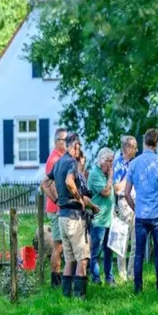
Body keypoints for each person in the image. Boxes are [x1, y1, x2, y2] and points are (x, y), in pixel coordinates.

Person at [124, 128, 158, 294]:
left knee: (138, 253)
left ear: (144, 141)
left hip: (141, 215)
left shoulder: (134, 164)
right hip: (157, 213)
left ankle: (138, 288)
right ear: (156, 143)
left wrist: (135, 208)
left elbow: (126, 193)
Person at [47, 133, 91, 299]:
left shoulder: (58, 163)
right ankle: (80, 296)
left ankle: (66, 296)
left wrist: (57, 200)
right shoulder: (72, 162)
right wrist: (80, 199)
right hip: (74, 216)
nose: (79, 150)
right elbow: (69, 181)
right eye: (78, 147)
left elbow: (44, 183)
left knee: (70, 259)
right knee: (82, 259)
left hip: (62, 216)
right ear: (75, 146)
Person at [44, 127, 67, 288]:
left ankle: (60, 278)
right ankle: (55, 282)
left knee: (63, 245)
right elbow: (48, 184)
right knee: (58, 246)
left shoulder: (62, 157)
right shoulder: (54, 160)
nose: (66, 143)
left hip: (59, 209)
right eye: (63, 140)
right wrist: (58, 201)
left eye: (67, 140)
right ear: (56, 141)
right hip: (55, 209)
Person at [112, 135, 138, 282]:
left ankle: (131, 272)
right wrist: (129, 175)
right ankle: (122, 274)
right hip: (123, 203)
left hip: (136, 202)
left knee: (135, 240)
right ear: (127, 148)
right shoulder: (118, 164)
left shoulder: (136, 162)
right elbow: (117, 188)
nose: (136, 150)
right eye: (134, 147)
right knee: (122, 239)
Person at [88, 147, 115, 285]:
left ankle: (110, 279)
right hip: (98, 220)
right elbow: (105, 192)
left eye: (112, 161)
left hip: (109, 219)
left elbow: (111, 194)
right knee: (96, 252)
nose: (111, 165)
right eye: (109, 161)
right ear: (101, 160)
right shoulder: (95, 174)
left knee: (109, 251)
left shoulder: (106, 174)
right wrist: (110, 177)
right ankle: (96, 279)